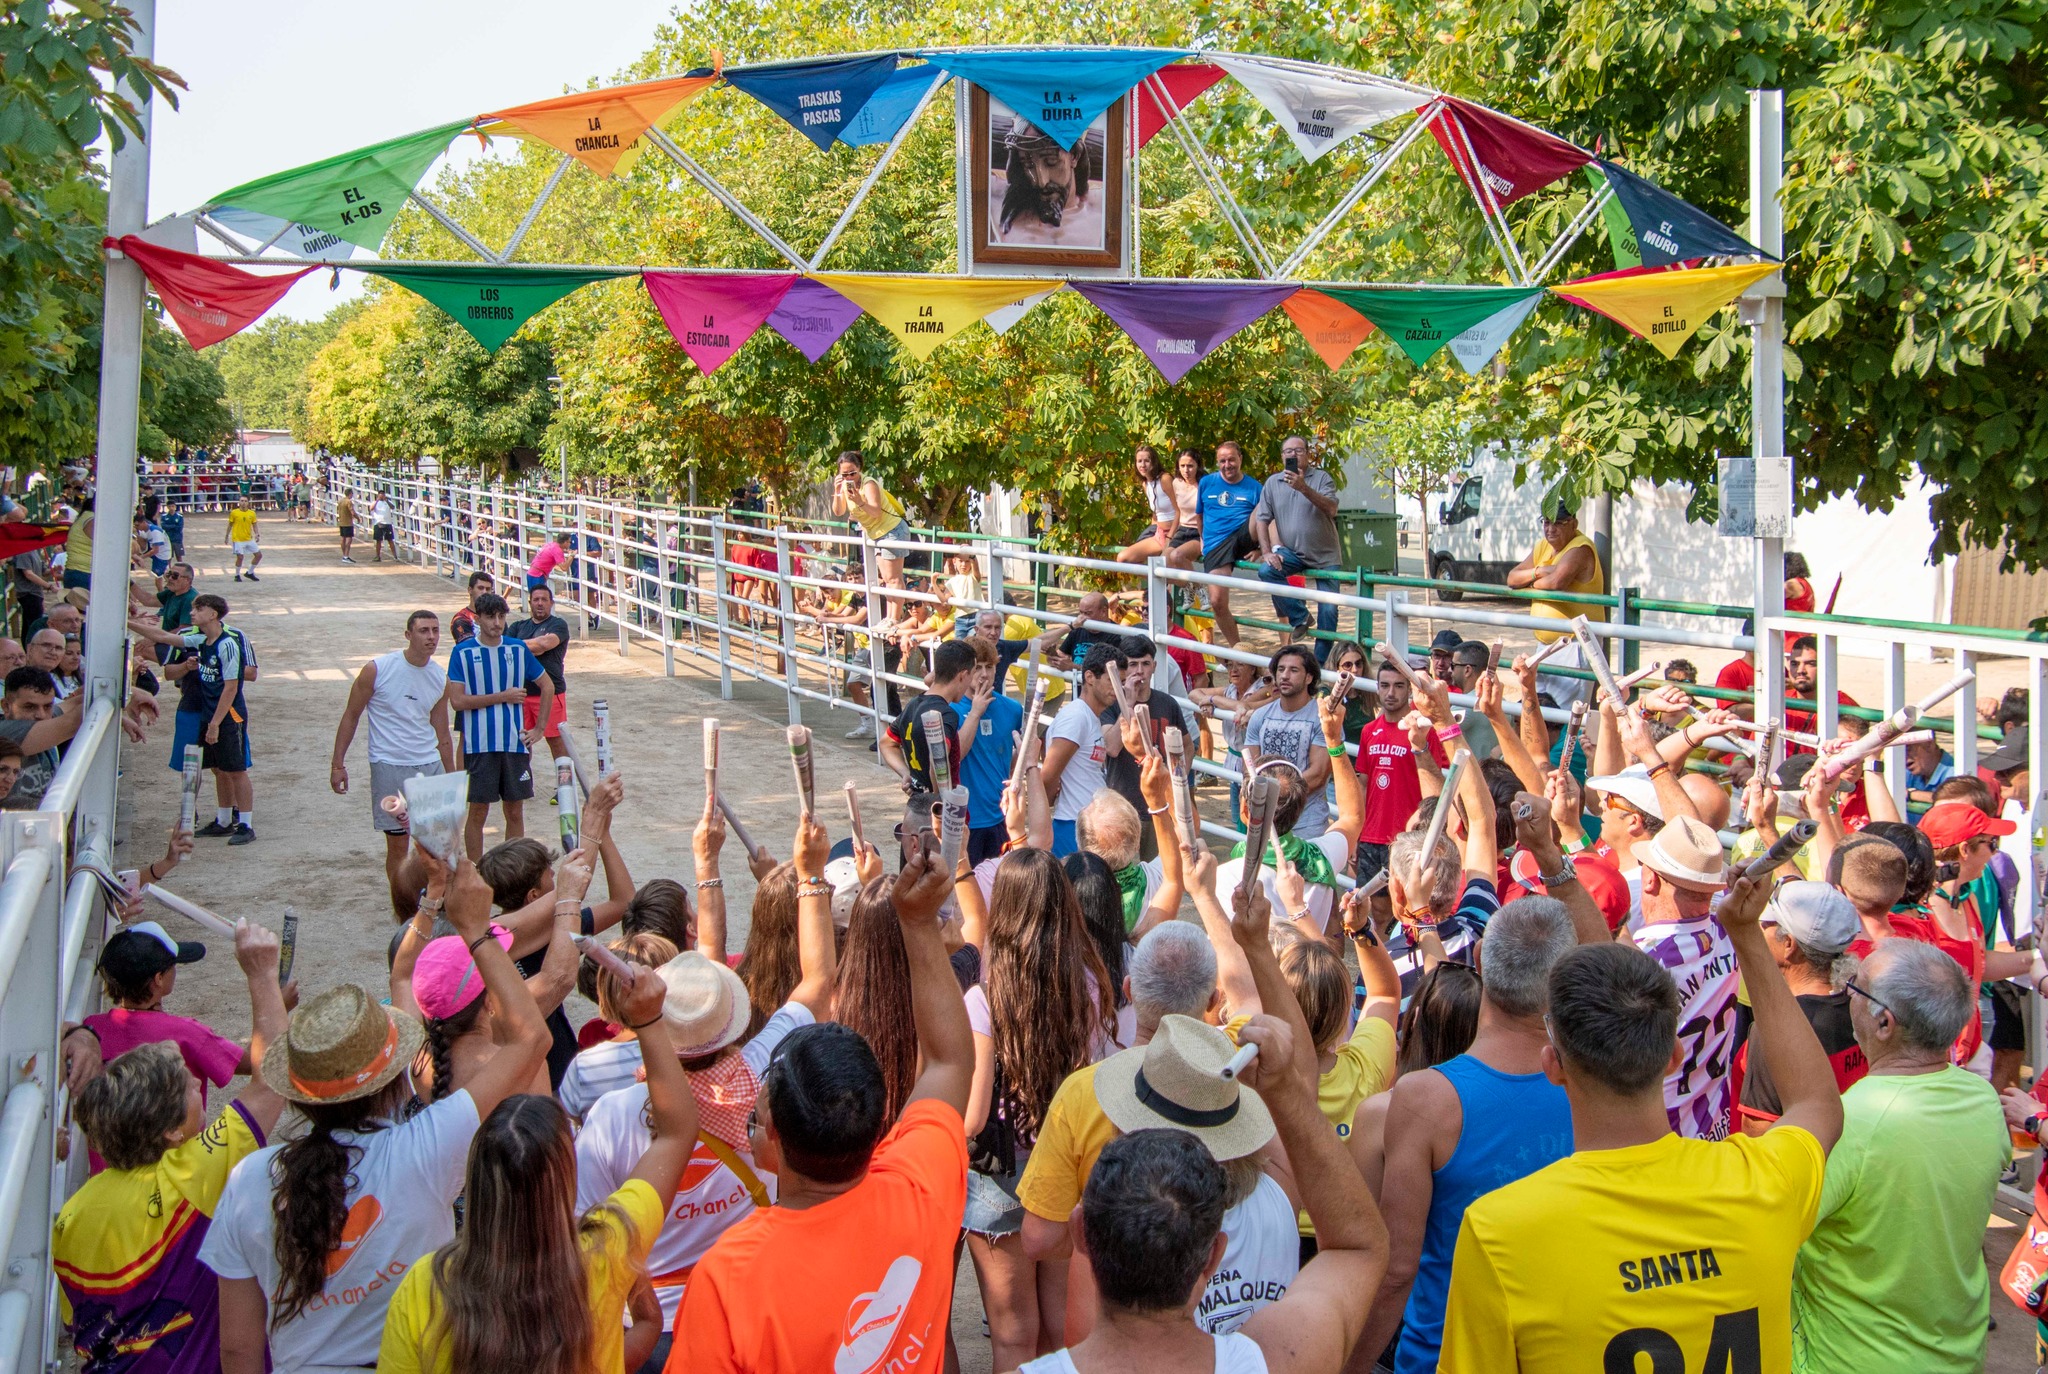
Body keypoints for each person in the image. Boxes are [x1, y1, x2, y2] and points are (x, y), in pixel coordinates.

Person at [1437, 862, 1845, 1373]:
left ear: (1554, 1065)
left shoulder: (1500, 1230)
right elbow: (1817, 1105)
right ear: (1673, 1055)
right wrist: (1746, 935)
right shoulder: (1760, 1182)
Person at [201, 853, 556, 1374]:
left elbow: (237, 1349)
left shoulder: (249, 1178)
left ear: (297, 1094)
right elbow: (532, 1037)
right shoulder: (427, 1147)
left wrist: (432, 904)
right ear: (390, 1079)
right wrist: (475, 929)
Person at [667, 835, 972, 1373]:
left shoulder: (730, 1276)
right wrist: (919, 924)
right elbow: (949, 1061)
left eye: (757, 1111)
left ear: (774, 1139)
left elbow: (948, 1062)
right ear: (882, 1123)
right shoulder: (920, 1187)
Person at [1018, 1007, 1390, 1373]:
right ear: (1212, 1254)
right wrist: (1284, 1088)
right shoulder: (1276, 1357)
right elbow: (1356, 1247)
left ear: (1082, 1231)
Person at [375, 959, 697, 1374]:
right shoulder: (605, 1250)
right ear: (567, 1173)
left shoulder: (427, 1285)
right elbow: (677, 1131)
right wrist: (650, 1021)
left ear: (475, 1178)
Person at [1351, 896, 1579, 1374]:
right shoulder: (1592, 1084)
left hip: (1446, 1355)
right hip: (1564, 1348)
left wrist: (1347, 1365)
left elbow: (1396, 1271)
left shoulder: (1425, 1100)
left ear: (1478, 962)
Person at [53, 922, 291, 1374]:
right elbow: (272, 1077)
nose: (197, 1094)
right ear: (172, 1133)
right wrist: (262, 975)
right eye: (188, 1088)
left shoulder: (72, 1214)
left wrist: (75, 1031)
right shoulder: (193, 1172)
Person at [1785, 940, 2005, 1373]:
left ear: (1884, 1022)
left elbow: (1774, 1226)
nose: (1846, 994)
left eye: (1855, 989)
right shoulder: (1983, 1099)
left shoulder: (1852, 1120)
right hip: (1958, 1354)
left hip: (1849, 1360)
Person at [959, 846, 1115, 1370]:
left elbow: (974, 1116)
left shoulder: (984, 999)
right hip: (1065, 1171)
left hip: (998, 1181)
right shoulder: (1090, 986)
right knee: (1058, 1332)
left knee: (1011, 1339)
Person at [330, 609, 455, 920]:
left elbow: (442, 731)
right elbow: (351, 716)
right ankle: (405, 910)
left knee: (439, 843)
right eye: (424, 630)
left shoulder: (440, 677)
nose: (431, 637)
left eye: (435, 631)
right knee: (398, 845)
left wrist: (451, 777)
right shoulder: (378, 669)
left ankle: (437, 903)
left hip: (428, 764)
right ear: (408, 635)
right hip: (389, 766)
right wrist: (337, 764)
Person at [1629, 814, 1740, 1139]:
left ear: (1650, 879)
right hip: (1716, 1124)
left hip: (1661, 1136)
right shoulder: (1730, 933)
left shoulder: (1643, 957)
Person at [1732, 882, 1866, 1132]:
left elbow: (1758, 1134)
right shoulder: (1860, 1007)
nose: (1761, 929)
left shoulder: (1776, 1031)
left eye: (1767, 925)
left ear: (1789, 946)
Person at [445, 592, 553, 861]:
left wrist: (539, 729)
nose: (497, 622)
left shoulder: (517, 649)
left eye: (502, 616)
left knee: (514, 810)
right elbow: (456, 701)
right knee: (478, 811)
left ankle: (512, 867)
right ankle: (474, 869)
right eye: (491, 617)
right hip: (478, 745)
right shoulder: (463, 652)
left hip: (514, 744)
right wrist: (502, 697)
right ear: (478, 618)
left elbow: (547, 685)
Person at [1503, 495, 1603, 706]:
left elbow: (1557, 582)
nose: (1550, 529)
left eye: (1558, 523)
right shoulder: (1542, 547)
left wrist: (1530, 581)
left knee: (1566, 715)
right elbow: (1512, 578)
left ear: (1573, 524)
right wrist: (1540, 571)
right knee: (1536, 708)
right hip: (1545, 644)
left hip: (1574, 645)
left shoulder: (1580, 547)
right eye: (1546, 522)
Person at [1096, 636, 1189, 862]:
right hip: (1123, 807)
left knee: (1159, 876)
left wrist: (1178, 778)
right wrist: (1128, 703)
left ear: (1154, 667)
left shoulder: (1168, 703)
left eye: (1145, 664)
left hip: (1159, 806)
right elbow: (1112, 747)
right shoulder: (1112, 705)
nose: (1139, 671)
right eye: (1132, 664)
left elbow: (1186, 743)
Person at [1253, 435, 1342, 661]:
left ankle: (1319, 666)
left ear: (1308, 454)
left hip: (1325, 556)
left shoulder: (1322, 478)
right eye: (1288, 452)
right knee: (1266, 571)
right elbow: (1262, 519)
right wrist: (1266, 552)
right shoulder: (1273, 483)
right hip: (1292, 552)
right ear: (1282, 456)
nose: (1293, 455)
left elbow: (1332, 509)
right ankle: (1300, 617)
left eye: (1298, 451)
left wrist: (1304, 488)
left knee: (1329, 612)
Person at [1043, 643, 1128, 856]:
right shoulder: (1077, 718)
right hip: (1073, 826)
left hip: (1084, 825)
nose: (1119, 689)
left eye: (1122, 682)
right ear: (1089, 677)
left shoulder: (1088, 716)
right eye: (1113, 680)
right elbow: (1047, 775)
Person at [1242, 644, 1334, 839]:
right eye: (1281, 669)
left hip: (1308, 823)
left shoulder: (1321, 718)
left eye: (1293, 670)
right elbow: (1249, 768)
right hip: (1265, 821)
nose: (1284, 676)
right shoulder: (1260, 717)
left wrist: (1273, 793)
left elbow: (1318, 775)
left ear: (1309, 677)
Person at [953, 635, 1024, 863]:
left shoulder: (1012, 709)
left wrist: (1013, 781)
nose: (984, 674)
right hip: (965, 820)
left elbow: (1014, 755)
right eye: (977, 668)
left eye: (990, 667)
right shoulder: (951, 710)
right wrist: (975, 713)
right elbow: (956, 755)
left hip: (1000, 818)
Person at [989, 115, 1106, 246]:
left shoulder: (1103, 208)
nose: (1041, 181)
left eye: (1051, 162)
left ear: (1074, 156)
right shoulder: (996, 200)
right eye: (1028, 165)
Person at [881, 638, 972, 796]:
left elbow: (886, 743)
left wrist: (906, 774)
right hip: (934, 810)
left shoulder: (913, 704)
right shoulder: (946, 714)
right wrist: (939, 802)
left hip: (915, 804)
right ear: (963, 675)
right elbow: (937, 762)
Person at [1197, 441, 1265, 645]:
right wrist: (1202, 539)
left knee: (1265, 505)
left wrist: (1260, 548)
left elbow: (1268, 519)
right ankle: (1238, 649)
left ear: (1240, 459)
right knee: (1217, 602)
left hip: (1244, 536)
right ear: (1217, 463)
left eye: (1231, 460)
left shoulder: (1255, 487)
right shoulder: (1206, 482)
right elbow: (1199, 516)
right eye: (1222, 461)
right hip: (1216, 545)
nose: (1227, 465)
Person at [831, 450, 913, 619]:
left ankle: (893, 619)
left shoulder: (869, 484)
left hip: (892, 530)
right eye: (844, 474)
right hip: (876, 534)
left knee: (893, 579)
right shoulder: (846, 488)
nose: (849, 478)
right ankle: (889, 618)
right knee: (886, 579)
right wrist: (838, 491)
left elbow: (875, 512)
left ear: (859, 469)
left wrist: (859, 502)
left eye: (852, 473)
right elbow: (838, 511)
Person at [508, 584, 572, 769]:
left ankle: (564, 788)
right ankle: (522, 779)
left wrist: (520, 646)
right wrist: (531, 646)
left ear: (551, 603)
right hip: (522, 694)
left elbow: (543, 644)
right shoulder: (517, 626)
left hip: (551, 693)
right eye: (536, 599)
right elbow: (506, 647)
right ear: (530, 603)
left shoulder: (558, 625)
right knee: (521, 740)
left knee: (556, 740)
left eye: (544, 599)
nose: (540, 603)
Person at [1784, 635, 1859, 747]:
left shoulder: (1843, 705)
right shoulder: (1779, 700)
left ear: (1826, 666)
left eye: (1810, 664)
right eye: (1795, 664)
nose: (1800, 670)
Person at [1116, 446, 1183, 566]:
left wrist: (1170, 537)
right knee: (1123, 559)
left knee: (1162, 568)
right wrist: (1152, 531)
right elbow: (1156, 513)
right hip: (1159, 533)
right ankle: (1159, 583)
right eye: (1139, 461)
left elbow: (1179, 511)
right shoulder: (1145, 484)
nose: (1143, 465)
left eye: (1147, 460)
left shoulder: (1165, 479)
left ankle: (1187, 584)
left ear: (1154, 461)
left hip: (1175, 533)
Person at [1442, 641, 1501, 760]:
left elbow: (1436, 731)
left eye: (1453, 666)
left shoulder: (1466, 706)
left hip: (1470, 774)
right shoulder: (1500, 701)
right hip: (1493, 774)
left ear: (1467, 670)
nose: (1449, 670)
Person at [450, 569, 494, 644]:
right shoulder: (461, 619)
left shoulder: (496, 616)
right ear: (470, 590)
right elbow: (469, 646)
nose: (484, 592)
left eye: (488, 589)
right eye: (480, 588)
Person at [226, 494, 260, 583]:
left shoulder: (252, 513)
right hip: (238, 539)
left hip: (248, 538)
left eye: (245, 501)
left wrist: (256, 533)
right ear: (239, 502)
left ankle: (250, 572)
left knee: (258, 555)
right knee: (240, 557)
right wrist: (227, 536)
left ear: (248, 503)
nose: (243, 503)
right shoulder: (234, 513)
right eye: (242, 501)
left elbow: (254, 524)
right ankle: (237, 575)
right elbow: (230, 525)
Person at [372, 492, 398, 562]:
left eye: (383, 495)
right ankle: (377, 556)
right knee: (378, 541)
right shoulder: (375, 502)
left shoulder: (388, 502)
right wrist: (377, 500)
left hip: (387, 523)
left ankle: (395, 556)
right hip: (378, 523)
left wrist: (386, 500)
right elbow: (371, 508)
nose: (382, 496)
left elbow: (393, 507)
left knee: (390, 540)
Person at [335, 489, 357, 563]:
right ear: (350, 494)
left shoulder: (340, 501)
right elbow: (352, 512)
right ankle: (346, 556)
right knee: (348, 540)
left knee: (343, 539)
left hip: (341, 522)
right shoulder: (349, 502)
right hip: (348, 523)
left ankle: (344, 555)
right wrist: (358, 518)